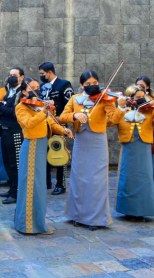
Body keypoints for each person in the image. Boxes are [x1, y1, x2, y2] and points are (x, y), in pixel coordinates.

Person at [60, 70, 124, 230]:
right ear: (81, 85)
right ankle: (77, 215)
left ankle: (95, 218)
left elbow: (111, 121)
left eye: (95, 83)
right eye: (88, 84)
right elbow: (62, 116)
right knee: (79, 178)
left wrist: (121, 108)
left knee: (96, 179)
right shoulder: (75, 99)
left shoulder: (105, 99)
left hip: (97, 142)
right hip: (81, 141)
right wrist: (75, 115)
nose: (92, 86)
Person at [14, 78, 72, 235]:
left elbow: (51, 123)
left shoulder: (39, 106)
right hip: (31, 147)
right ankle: (28, 225)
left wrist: (63, 130)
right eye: (32, 88)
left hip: (40, 148)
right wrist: (44, 112)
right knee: (31, 186)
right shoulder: (21, 107)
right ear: (25, 91)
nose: (37, 90)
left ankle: (37, 223)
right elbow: (29, 124)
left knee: (39, 186)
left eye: (37, 87)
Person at [108, 85, 154, 222]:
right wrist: (120, 108)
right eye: (137, 97)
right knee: (128, 177)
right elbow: (111, 122)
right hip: (129, 146)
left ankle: (142, 210)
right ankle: (128, 210)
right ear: (130, 98)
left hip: (144, 145)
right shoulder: (123, 109)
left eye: (143, 97)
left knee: (144, 178)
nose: (141, 100)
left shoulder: (149, 109)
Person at [39, 62, 74, 195]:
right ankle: (46, 181)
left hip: (59, 124)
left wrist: (60, 117)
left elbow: (69, 105)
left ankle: (61, 184)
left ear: (50, 72)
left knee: (60, 154)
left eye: (43, 74)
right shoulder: (42, 86)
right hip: (45, 125)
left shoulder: (64, 84)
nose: (41, 77)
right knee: (46, 153)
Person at [0, 67, 25, 204]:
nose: (11, 77)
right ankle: (12, 188)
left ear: (22, 77)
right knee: (7, 162)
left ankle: (16, 192)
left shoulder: (23, 93)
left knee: (15, 164)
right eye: (10, 75)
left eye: (15, 75)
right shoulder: (9, 91)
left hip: (15, 131)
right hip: (5, 130)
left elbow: (14, 112)